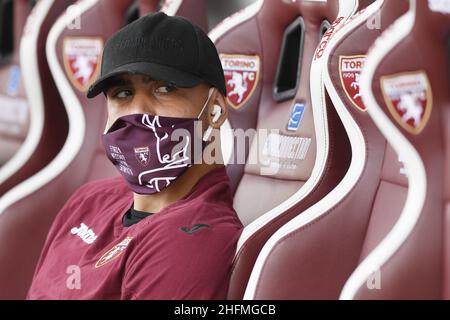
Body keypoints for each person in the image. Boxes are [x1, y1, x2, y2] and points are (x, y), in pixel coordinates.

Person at [27, 12, 243, 300]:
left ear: (215, 108)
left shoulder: (192, 235)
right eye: (123, 93)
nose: (138, 111)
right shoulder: (88, 200)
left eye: (164, 89)